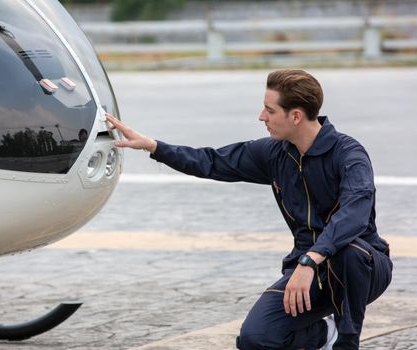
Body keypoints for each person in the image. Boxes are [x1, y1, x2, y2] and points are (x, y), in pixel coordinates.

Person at [106, 69, 392, 350]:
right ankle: (323, 333)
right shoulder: (276, 153)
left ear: (295, 116)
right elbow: (212, 161)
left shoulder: (349, 154)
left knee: (348, 251)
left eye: (269, 110)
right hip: (309, 272)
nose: (261, 117)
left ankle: (346, 341)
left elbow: (354, 213)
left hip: (364, 268)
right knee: (255, 339)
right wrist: (153, 147)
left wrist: (310, 260)